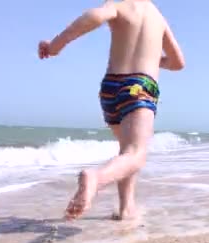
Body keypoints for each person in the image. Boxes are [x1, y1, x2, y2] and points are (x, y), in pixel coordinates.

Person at [38, 0, 185, 220]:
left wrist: (56, 45)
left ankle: (126, 208)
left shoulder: (119, 5)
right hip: (140, 86)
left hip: (110, 87)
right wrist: (153, 60)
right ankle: (96, 178)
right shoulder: (158, 17)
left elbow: (95, 16)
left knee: (127, 150)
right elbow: (178, 63)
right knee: (137, 154)